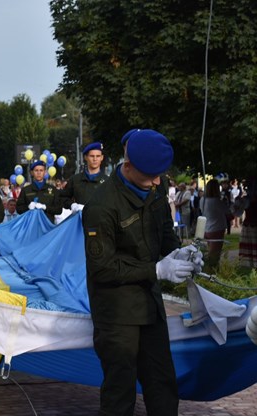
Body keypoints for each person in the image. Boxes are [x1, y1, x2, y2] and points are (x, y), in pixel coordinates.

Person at [82, 129, 202, 415]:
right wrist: (158, 269)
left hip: (149, 307)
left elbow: (162, 232)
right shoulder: (101, 206)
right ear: (129, 165)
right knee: (120, 392)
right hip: (117, 312)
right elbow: (103, 268)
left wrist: (180, 252)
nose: (157, 181)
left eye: (160, 175)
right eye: (151, 175)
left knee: (162, 385)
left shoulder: (154, 188)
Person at [60, 142, 109, 211]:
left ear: (102, 158)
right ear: (86, 157)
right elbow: (63, 198)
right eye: (92, 156)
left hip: (101, 220)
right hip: (80, 219)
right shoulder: (75, 180)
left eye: (98, 156)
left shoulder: (108, 181)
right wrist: (72, 205)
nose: (95, 159)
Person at [199, 179, 229, 268]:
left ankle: (210, 269)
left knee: (211, 251)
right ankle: (212, 271)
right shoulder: (217, 201)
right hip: (217, 228)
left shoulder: (202, 200)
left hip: (207, 227)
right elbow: (227, 211)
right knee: (215, 254)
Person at [239, 178, 256, 268]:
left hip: (249, 224)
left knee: (251, 246)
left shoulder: (246, 199)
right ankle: (249, 265)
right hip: (250, 224)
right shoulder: (246, 199)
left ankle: (250, 265)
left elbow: (238, 212)